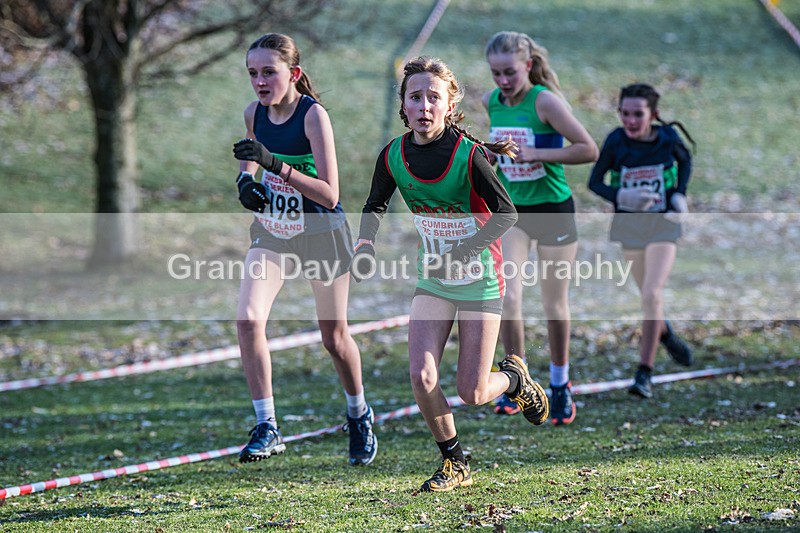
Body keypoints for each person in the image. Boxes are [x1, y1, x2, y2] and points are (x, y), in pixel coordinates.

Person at [353, 56, 549, 492]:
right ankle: (455, 463)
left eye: (433, 98)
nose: (424, 105)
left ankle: (516, 378)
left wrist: (464, 250)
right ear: (403, 105)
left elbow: (506, 215)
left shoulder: (469, 156)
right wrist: (365, 243)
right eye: (415, 97)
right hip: (435, 279)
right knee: (421, 377)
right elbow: (375, 204)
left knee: (472, 391)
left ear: (449, 103)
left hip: (480, 277)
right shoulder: (393, 155)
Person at [231, 33, 376, 465]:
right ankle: (267, 425)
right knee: (247, 318)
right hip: (274, 228)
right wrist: (246, 183)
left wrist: (275, 165)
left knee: (333, 338)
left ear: (292, 74)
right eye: (253, 73)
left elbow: (330, 194)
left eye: (269, 72)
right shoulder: (253, 113)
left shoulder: (314, 117)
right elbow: (250, 157)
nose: (260, 81)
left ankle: (359, 413)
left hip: (320, 231)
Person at [482, 31, 599, 424]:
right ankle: (517, 381)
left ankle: (560, 382)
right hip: (513, 212)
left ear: (528, 66)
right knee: (508, 297)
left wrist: (538, 153)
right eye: (496, 73)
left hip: (553, 211)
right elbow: (501, 155)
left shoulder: (544, 101)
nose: (502, 81)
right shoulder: (491, 102)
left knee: (553, 302)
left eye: (510, 72)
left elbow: (588, 148)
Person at [587, 82, 695, 399]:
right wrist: (622, 195)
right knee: (649, 299)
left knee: (652, 291)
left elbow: (685, 161)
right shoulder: (616, 141)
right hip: (630, 226)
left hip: (663, 224)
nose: (630, 121)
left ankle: (643, 373)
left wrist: (679, 195)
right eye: (625, 113)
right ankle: (667, 335)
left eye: (638, 114)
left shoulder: (667, 139)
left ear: (653, 114)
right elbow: (595, 181)